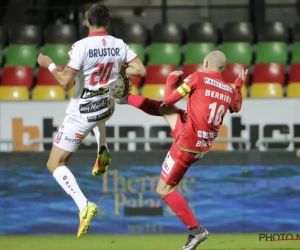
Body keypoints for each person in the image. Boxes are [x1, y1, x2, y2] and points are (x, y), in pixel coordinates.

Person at [117, 51, 247, 250]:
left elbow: (169, 98)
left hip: (185, 145)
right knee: (165, 110)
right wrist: (238, 85)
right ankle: (125, 99)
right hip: (199, 143)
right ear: (223, 69)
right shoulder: (228, 91)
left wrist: (170, 80)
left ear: (205, 63)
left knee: (163, 190)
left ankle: (197, 231)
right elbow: (236, 106)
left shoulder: (197, 77)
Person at [37, 3, 145, 238]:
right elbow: (141, 70)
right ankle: (102, 148)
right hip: (106, 108)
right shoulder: (119, 44)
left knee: (54, 164)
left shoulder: (80, 47)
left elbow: (65, 82)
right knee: (100, 108)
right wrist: (119, 68)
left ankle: (84, 206)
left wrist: (50, 65)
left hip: (82, 115)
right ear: (108, 23)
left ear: (87, 22)